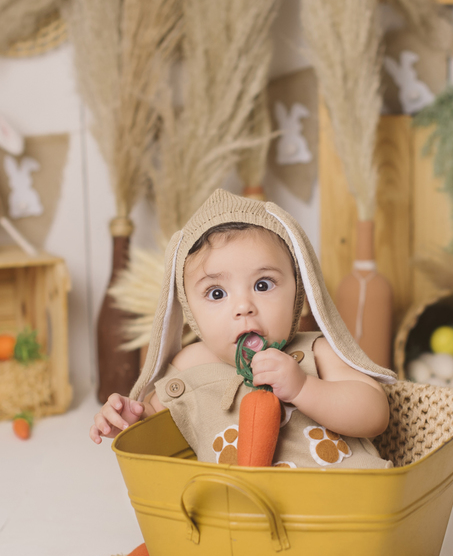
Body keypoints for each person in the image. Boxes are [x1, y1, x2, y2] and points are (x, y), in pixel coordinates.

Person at [89, 189, 393, 470]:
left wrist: (304, 388)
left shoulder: (317, 351)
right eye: (217, 293)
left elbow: (375, 414)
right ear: (189, 308)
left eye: (263, 285)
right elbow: (156, 429)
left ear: (299, 293)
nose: (243, 306)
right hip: (242, 513)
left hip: (344, 503)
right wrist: (129, 419)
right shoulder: (189, 366)